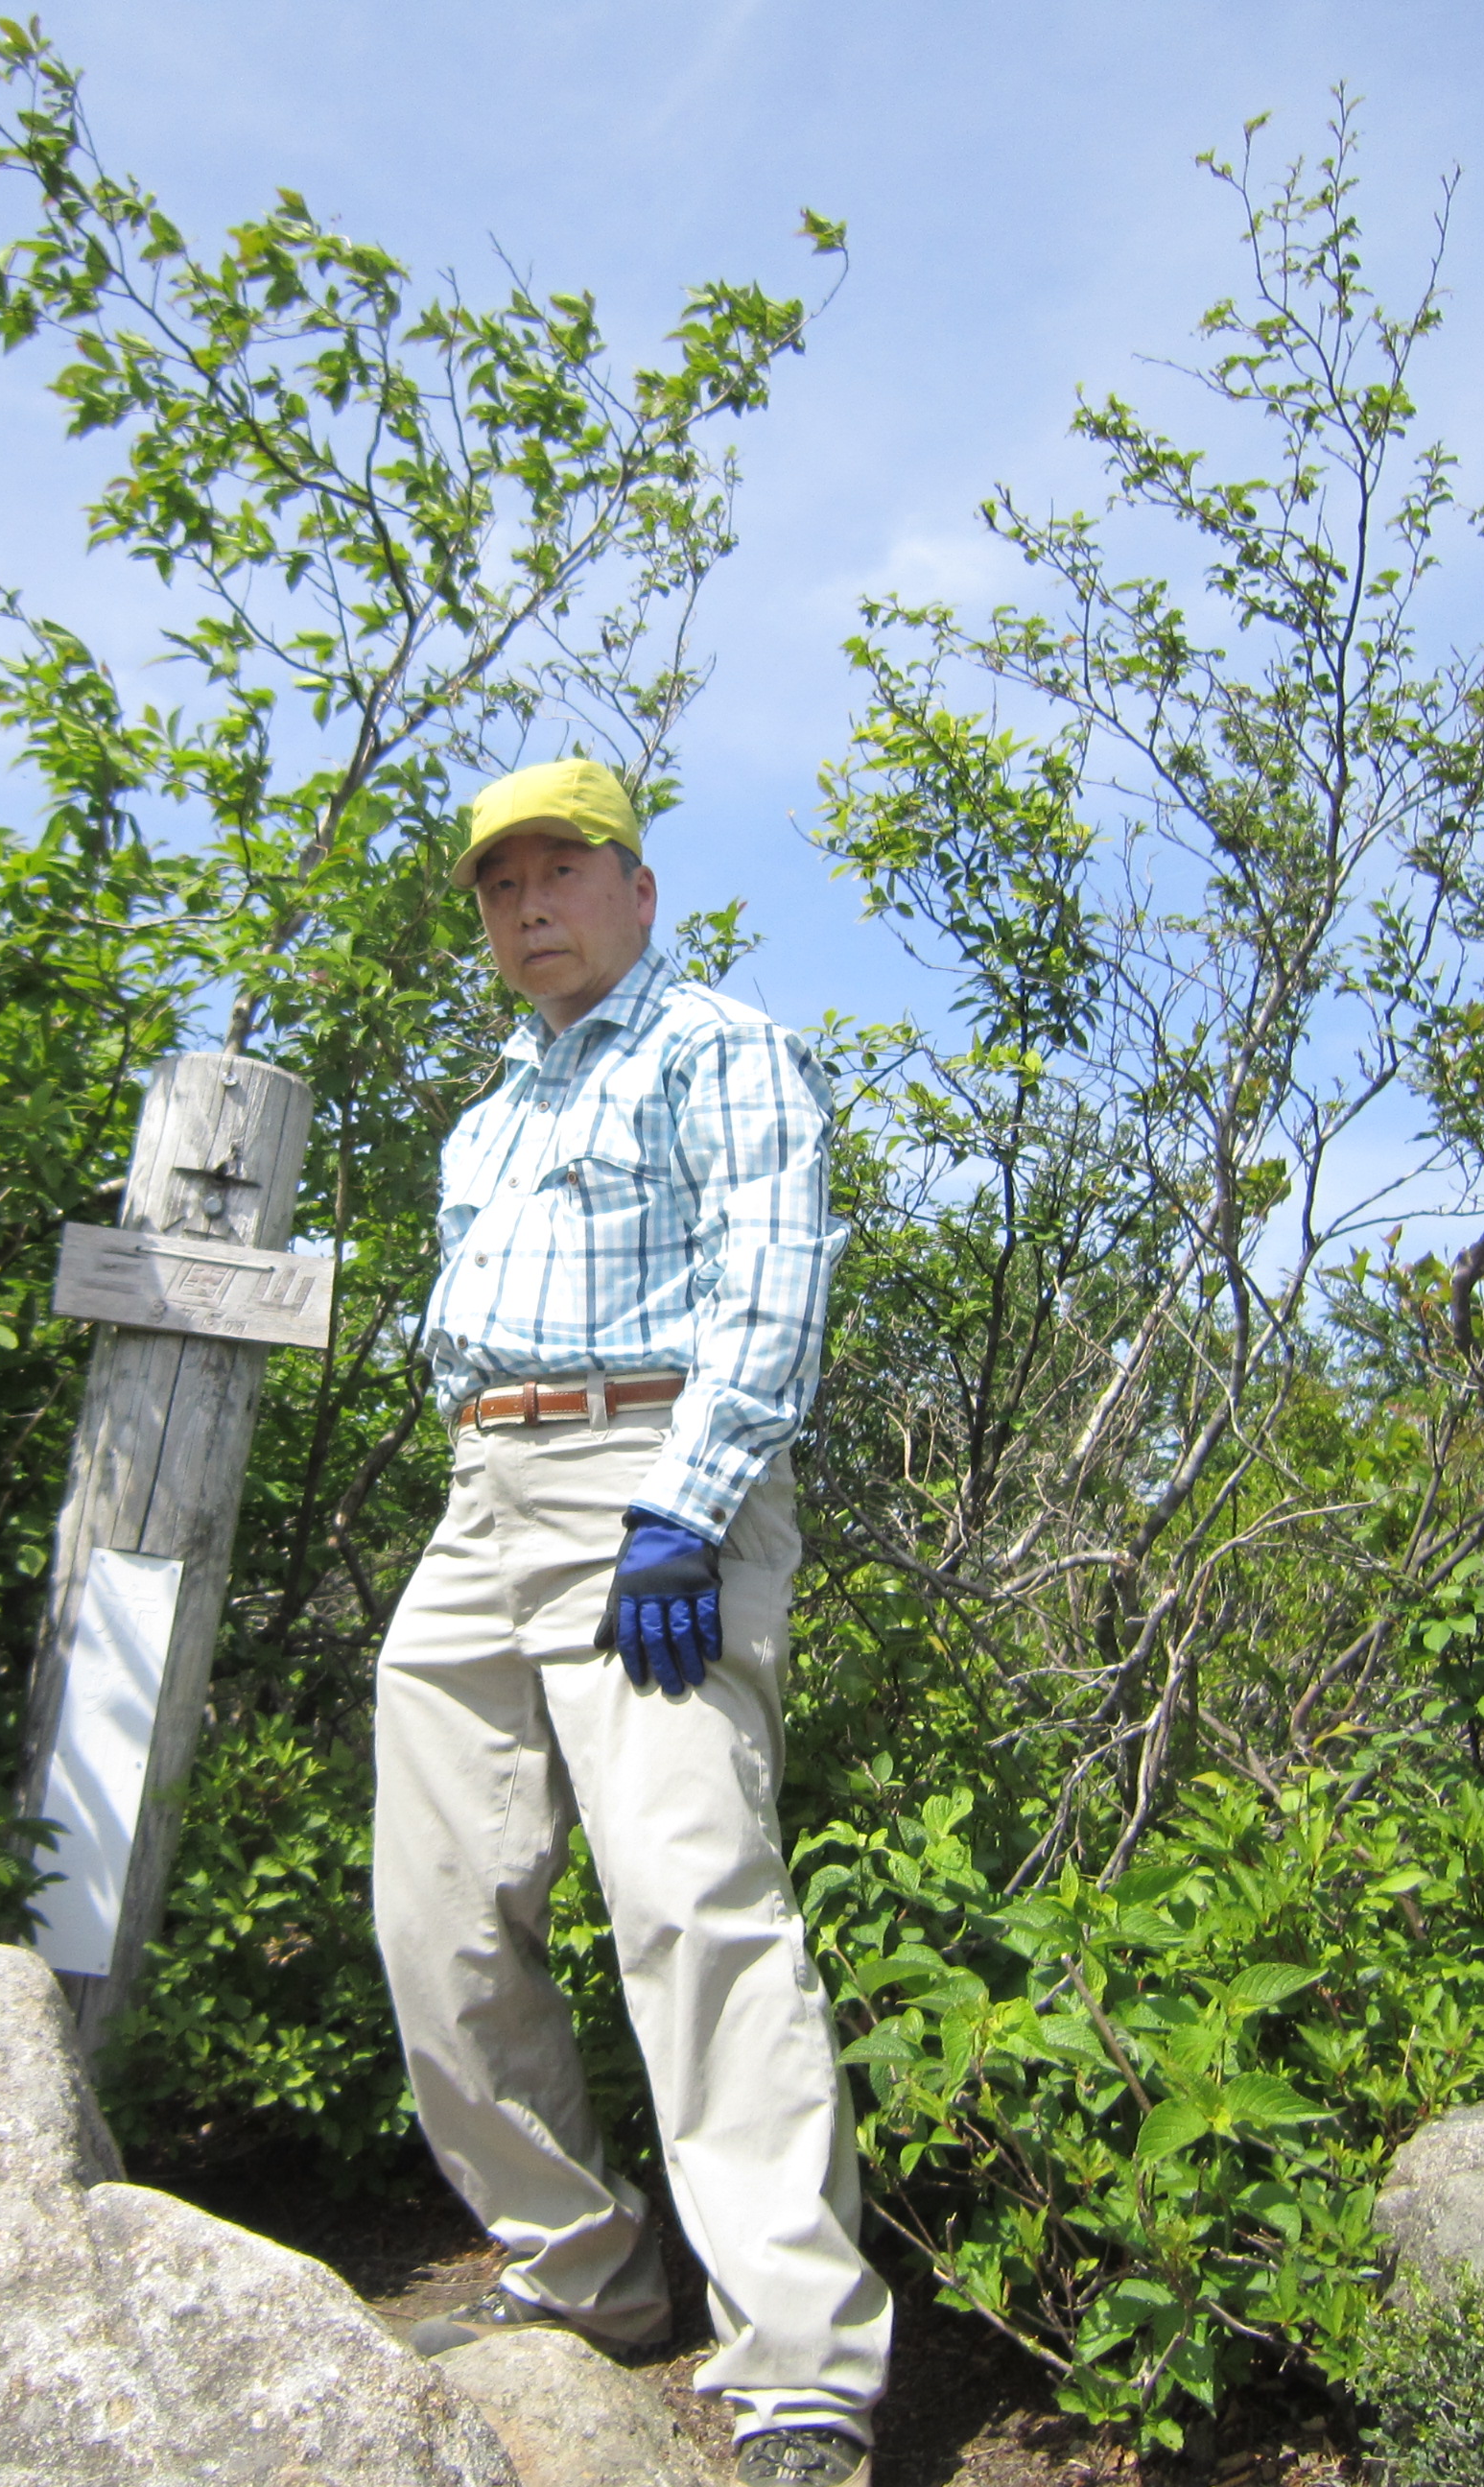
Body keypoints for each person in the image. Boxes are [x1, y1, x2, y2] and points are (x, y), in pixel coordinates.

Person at [374, 756, 889, 2487]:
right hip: (481, 1497)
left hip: (652, 1480)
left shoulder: (714, 1045)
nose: (528, 908)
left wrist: (688, 1501)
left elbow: (774, 1279)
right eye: (497, 887)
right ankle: (583, 2270)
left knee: (691, 1903)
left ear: (638, 889)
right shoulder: (489, 1113)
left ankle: (803, 2370)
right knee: (437, 1906)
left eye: (561, 873)